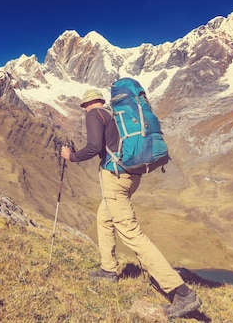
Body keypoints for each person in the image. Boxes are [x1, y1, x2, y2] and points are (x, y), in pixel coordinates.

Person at [60, 88, 202, 319]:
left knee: (130, 232)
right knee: (104, 218)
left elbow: (95, 147)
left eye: (84, 105)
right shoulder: (113, 116)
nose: (85, 108)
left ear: (87, 103)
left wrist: (72, 156)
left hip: (115, 178)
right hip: (131, 176)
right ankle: (109, 269)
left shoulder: (94, 115)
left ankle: (181, 292)